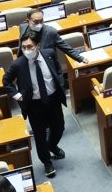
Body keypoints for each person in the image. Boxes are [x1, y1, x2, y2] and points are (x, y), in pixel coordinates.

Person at [4, 31, 68, 177]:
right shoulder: (18, 64)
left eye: (30, 46)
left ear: (38, 45)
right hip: (34, 105)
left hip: (53, 100)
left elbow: (58, 70)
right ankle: (47, 162)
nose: (27, 50)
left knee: (59, 127)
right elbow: (6, 81)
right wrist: (18, 95)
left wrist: (61, 83)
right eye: (24, 47)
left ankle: (52, 145)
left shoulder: (49, 53)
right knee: (39, 135)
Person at [17, 8, 85, 71]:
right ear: (28, 21)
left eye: (41, 21)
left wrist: (80, 58)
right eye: (36, 22)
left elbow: (65, 47)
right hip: (26, 63)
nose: (39, 24)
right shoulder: (23, 27)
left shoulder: (51, 32)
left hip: (43, 66)